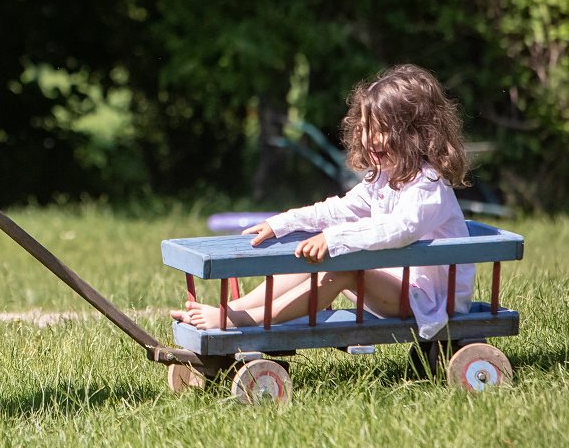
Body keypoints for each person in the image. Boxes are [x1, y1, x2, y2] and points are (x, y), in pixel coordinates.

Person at [172, 63, 472, 340]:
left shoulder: (428, 184)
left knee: (341, 267)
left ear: (417, 133)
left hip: (430, 301)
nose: (371, 139)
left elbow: (399, 229)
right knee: (314, 255)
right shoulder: (385, 177)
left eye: (383, 130)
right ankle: (232, 310)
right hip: (395, 283)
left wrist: (333, 238)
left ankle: (238, 320)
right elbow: (339, 209)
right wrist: (283, 223)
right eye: (366, 128)